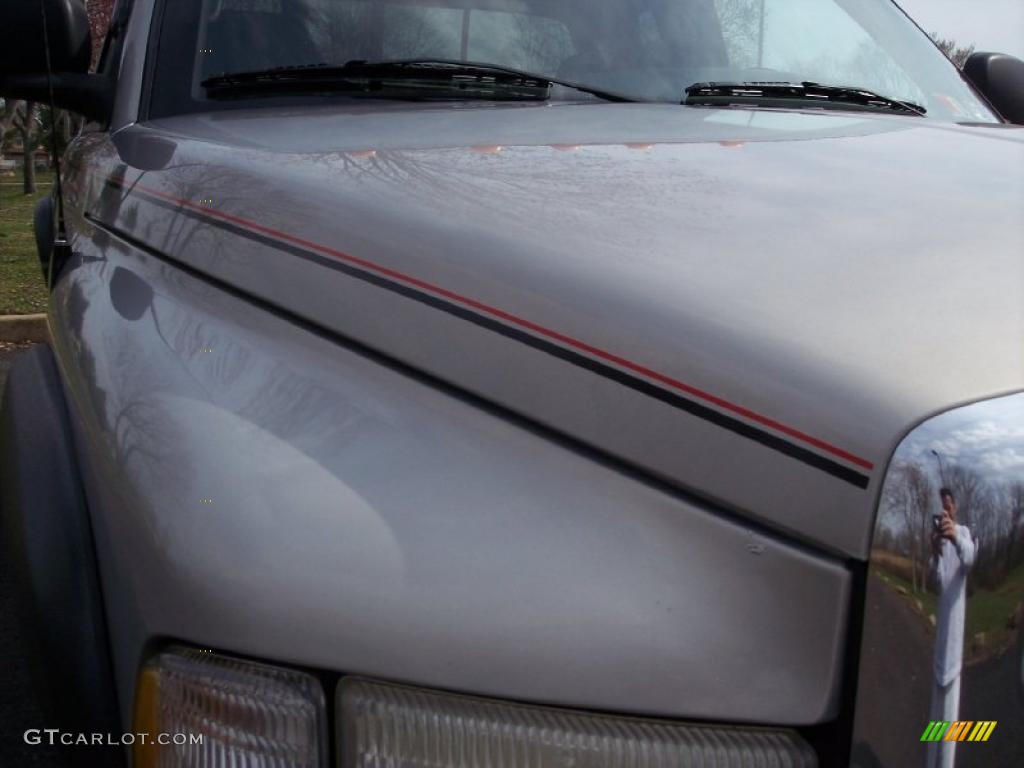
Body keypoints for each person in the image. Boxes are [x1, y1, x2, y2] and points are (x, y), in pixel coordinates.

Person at [927, 487, 976, 768]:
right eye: (942, 507)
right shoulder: (941, 543)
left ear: (955, 507)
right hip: (940, 644)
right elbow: (936, 581)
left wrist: (954, 535)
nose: (946, 510)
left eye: (949, 505)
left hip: (955, 648)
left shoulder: (965, 534)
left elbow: (969, 559)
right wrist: (935, 552)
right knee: (935, 724)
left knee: (951, 724)